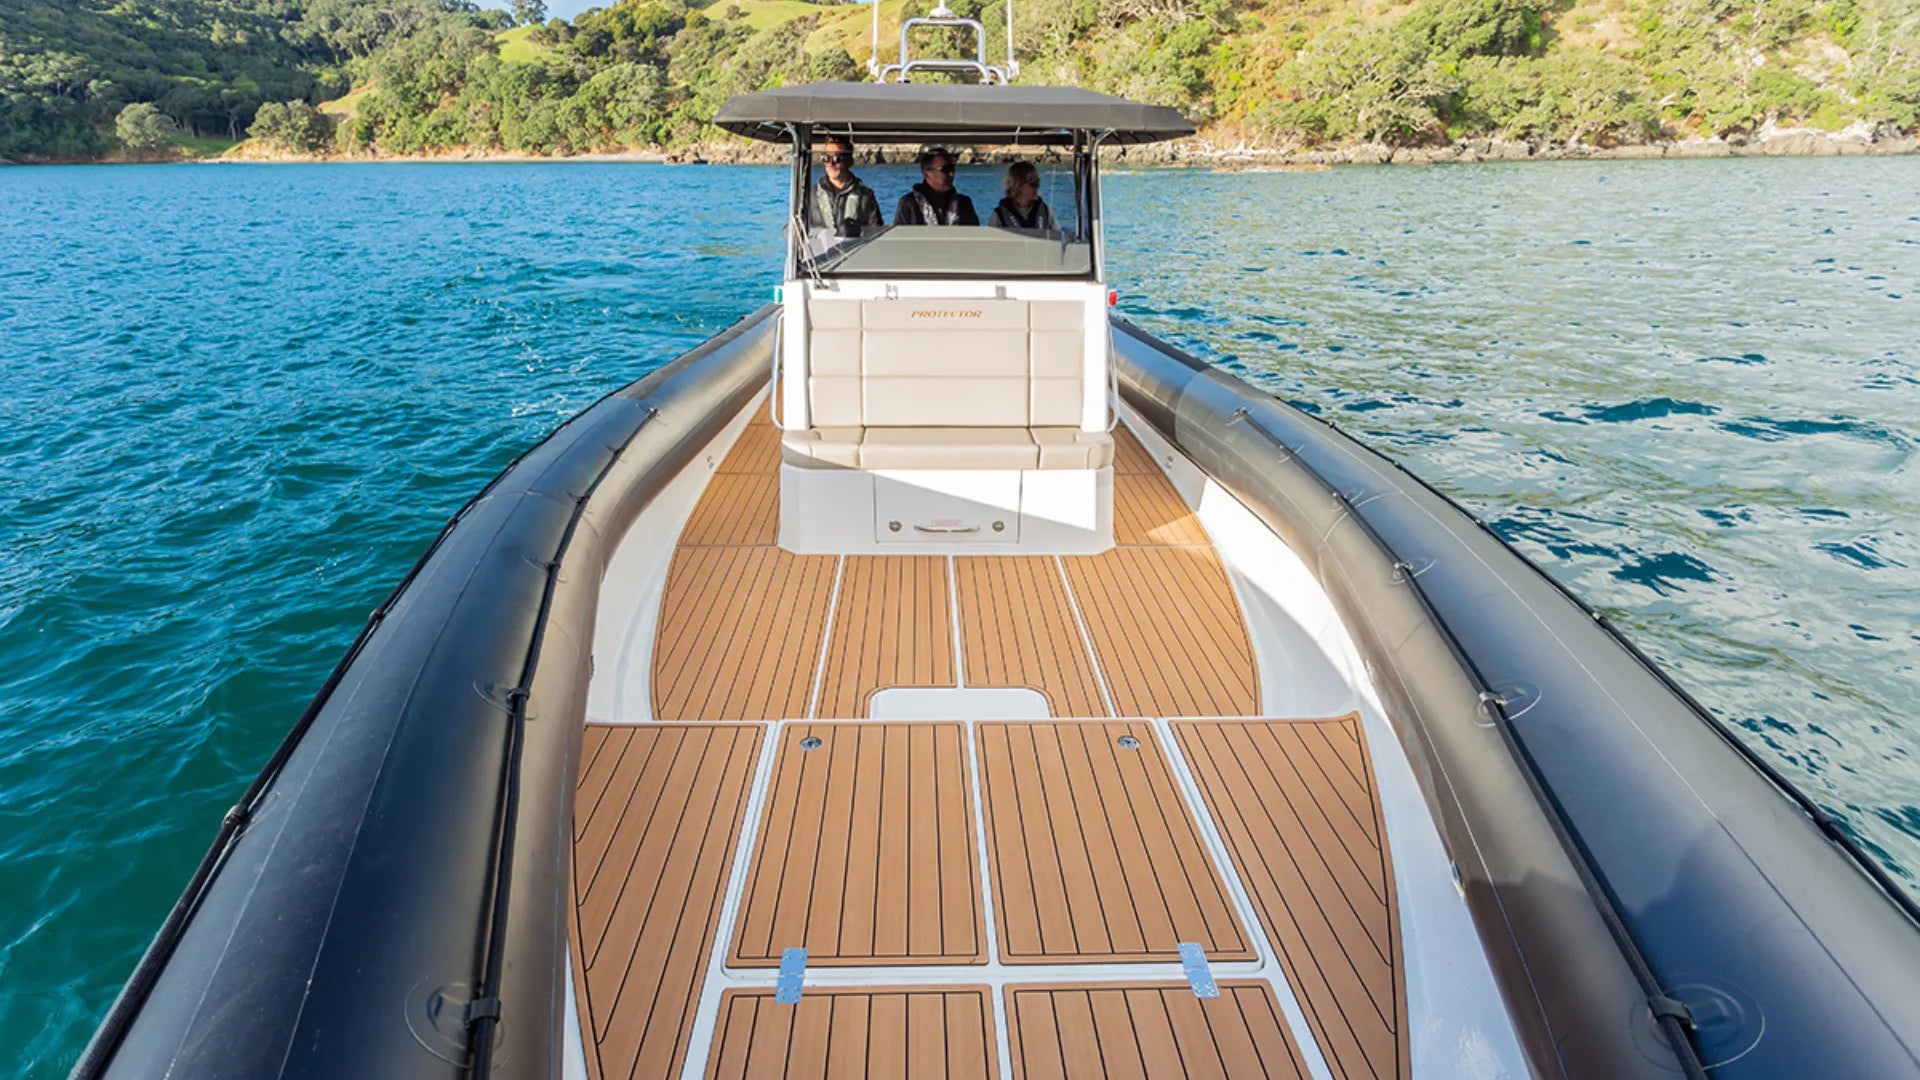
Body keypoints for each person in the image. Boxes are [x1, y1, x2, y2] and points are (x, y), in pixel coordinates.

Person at [805, 135, 882, 237]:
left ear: (849, 161)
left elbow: (877, 234)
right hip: (821, 251)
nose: (831, 163)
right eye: (826, 158)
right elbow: (796, 229)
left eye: (837, 158)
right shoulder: (810, 195)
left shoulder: (866, 196)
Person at [893, 146, 979, 226]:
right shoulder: (908, 204)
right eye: (945, 170)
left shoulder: (964, 203)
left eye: (952, 169)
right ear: (926, 173)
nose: (951, 174)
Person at [987, 161, 1059, 231]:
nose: (1037, 186)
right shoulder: (999, 216)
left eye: (1038, 181)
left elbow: (1057, 240)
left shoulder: (1047, 213)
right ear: (1017, 185)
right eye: (1032, 183)